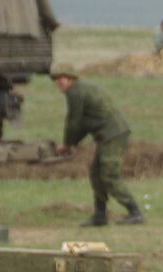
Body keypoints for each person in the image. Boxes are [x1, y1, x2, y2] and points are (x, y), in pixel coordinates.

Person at [50, 63, 143, 227]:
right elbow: (83, 123)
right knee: (96, 174)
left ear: (71, 78)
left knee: (108, 175)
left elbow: (74, 122)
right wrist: (72, 143)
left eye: (62, 77)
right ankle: (100, 215)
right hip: (108, 135)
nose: (59, 82)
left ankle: (134, 212)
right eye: (56, 79)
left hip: (113, 134)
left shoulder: (75, 92)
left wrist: (67, 144)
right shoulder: (81, 89)